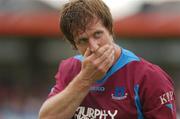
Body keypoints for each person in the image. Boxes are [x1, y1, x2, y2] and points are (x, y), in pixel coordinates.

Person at [38, 0, 176, 119]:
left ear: (110, 30)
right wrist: (85, 79)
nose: (94, 46)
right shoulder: (70, 68)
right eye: (83, 40)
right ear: (75, 45)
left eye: (97, 34)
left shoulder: (149, 77)